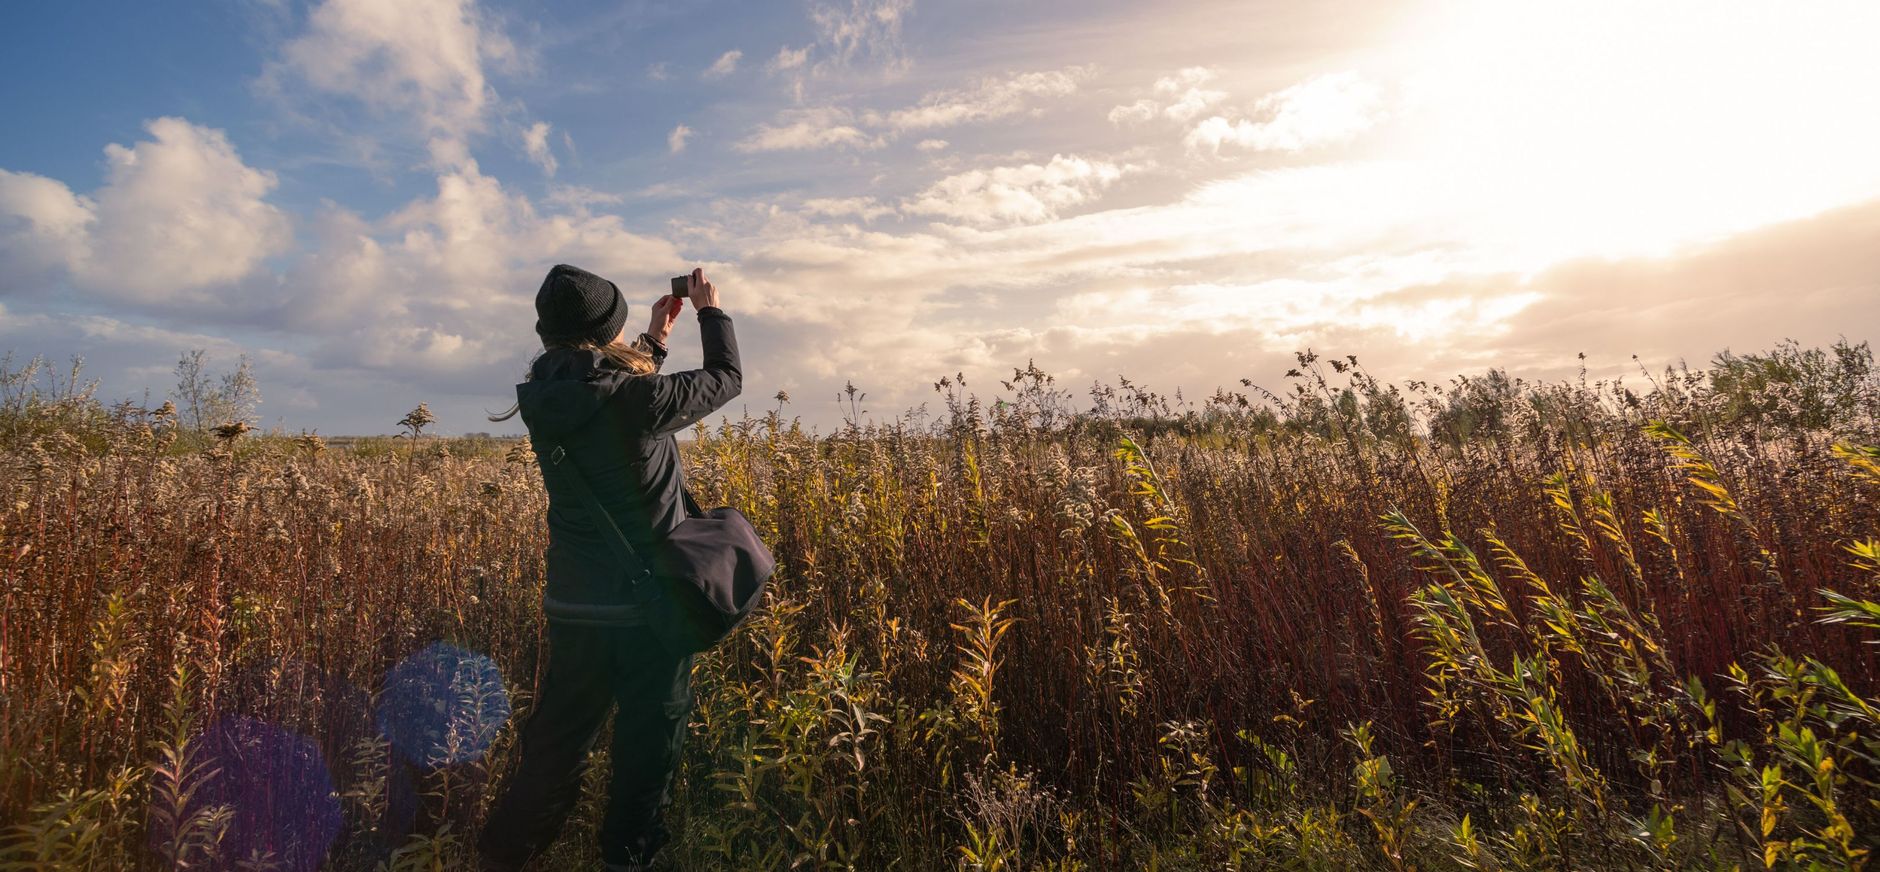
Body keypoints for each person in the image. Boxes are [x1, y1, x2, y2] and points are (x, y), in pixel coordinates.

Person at [478, 264, 741, 871]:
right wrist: (710, 311)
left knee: (558, 743)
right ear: (607, 331)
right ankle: (627, 855)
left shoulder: (542, 397)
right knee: (649, 741)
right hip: (651, 609)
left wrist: (654, 339)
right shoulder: (640, 400)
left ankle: (504, 854)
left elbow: (595, 382)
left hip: (575, 605)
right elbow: (726, 377)